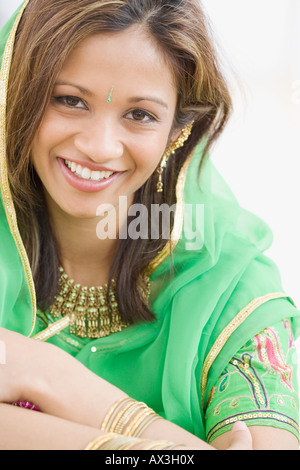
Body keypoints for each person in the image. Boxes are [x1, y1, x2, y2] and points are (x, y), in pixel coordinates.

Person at [0, 0, 299, 450]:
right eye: (69, 100)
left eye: (140, 115)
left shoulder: (227, 291)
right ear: (15, 95)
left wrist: (52, 377)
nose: (98, 147)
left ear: (177, 130)